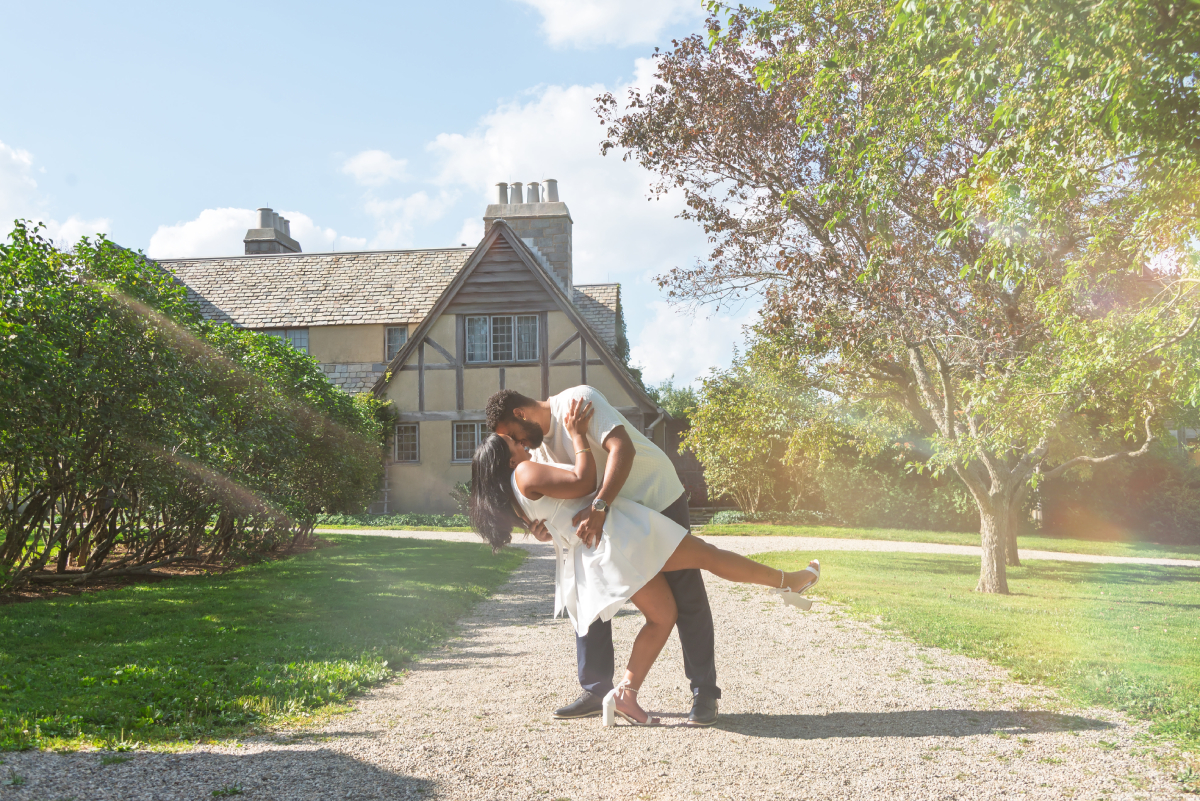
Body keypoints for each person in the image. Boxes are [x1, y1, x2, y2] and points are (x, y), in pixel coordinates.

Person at [477, 392, 821, 725]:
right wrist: (579, 440)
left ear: (519, 416)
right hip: (620, 531)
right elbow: (583, 482)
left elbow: (619, 450)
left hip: (644, 503)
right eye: (511, 443)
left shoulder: (575, 403)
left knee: (670, 608)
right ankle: (788, 582)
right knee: (707, 557)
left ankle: (671, 693)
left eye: (512, 436)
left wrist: (557, 521)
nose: (520, 444)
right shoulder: (529, 464)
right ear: (507, 458)